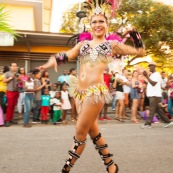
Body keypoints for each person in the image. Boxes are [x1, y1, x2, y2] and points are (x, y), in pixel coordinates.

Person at [39, 0, 145, 172]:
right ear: (89, 25)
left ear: (107, 24)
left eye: (101, 21)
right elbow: (67, 54)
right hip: (79, 92)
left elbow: (140, 52)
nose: (97, 25)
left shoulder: (112, 45)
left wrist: (134, 35)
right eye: (94, 21)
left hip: (95, 93)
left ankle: (66, 168)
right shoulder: (83, 45)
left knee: (80, 133)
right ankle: (111, 166)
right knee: (92, 131)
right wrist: (51, 61)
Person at [142, 62, 173, 128]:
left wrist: (147, 76)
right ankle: (168, 121)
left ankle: (148, 124)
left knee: (152, 109)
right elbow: (151, 83)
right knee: (158, 109)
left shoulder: (156, 74)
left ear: (154, 66)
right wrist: (146, 79)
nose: (149, 67)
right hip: (152, 94)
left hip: (154, 95)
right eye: (149, 66)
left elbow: (154, 83)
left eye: (150, 66)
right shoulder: (152, 75)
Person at [3, 63, 20, 127]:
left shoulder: (17, 74)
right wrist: (11, 77)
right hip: (10, 91)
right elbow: (4, 81)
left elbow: (20, 81)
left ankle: (11, 119)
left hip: (16, 91)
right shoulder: (7, 73)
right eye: (13, 66)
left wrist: (19, 79)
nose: (15, 67)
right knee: (9, 106)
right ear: (10, 67)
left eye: (15, 66)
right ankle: (7, 120)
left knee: (13, 106)